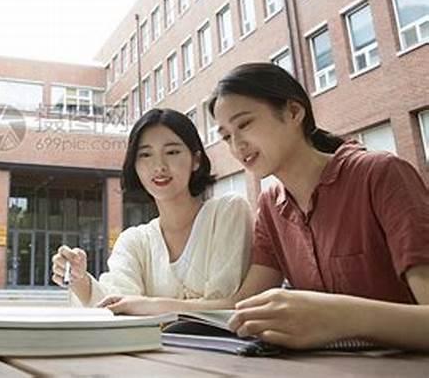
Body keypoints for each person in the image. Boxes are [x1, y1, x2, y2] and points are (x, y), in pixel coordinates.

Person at [105, 63, 429, 352]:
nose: (237, 145)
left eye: (244, 124)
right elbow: (238, 305)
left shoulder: (380, 174)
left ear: (293, 112)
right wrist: (147, 305)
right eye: (227, 136)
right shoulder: (271, 205)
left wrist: (338, 316)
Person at [51, 108, 253, 308]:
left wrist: (150, 305)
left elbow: (227, 304)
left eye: (172, 152)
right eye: (146, 155)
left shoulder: (227, 212)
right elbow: (115, 304)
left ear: (196, 160)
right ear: (135, 165)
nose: (159, 166)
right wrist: (80, 280)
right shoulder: (134, 241)